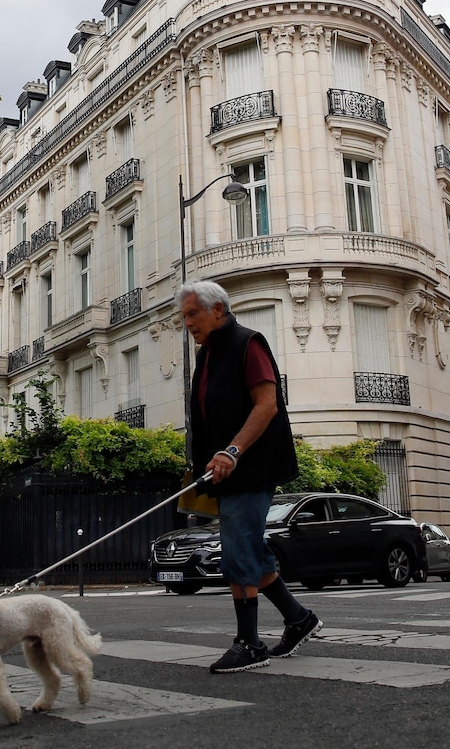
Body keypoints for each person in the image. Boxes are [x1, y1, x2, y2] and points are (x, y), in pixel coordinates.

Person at [180, 280, 321, 674]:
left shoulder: (248, 343)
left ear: (218, 310)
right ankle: (298, 618)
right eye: (185, 315)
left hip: (251, 466)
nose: (187, 322)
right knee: (249, 549)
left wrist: (232, 451)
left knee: (238, 550)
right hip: (224, 471)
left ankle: (250, 643)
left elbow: (266, 405)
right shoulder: (207, 355)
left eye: (193, 313)